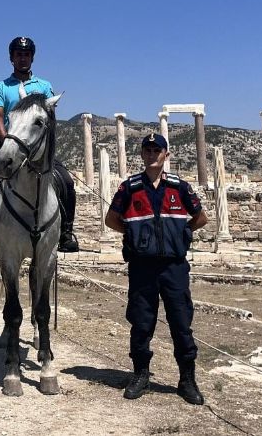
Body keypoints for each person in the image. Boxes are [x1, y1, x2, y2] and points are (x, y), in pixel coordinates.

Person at [103, 133, 208, 406]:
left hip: (174, 267)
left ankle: (187, 379)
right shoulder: (131, 187)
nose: (152, 155)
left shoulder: (179, 187)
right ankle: (140, 374)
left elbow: (201, 217)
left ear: (166, 155)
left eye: (156, 150)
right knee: (141, 323)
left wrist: (181, 233)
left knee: (181, 323)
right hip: (142, 266)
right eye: (147, 150)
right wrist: (134, 234)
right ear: (142, 155)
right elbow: (111, 219)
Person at [0, 36, 79, 253]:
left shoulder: (45, 86)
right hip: (11, 146)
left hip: (38, 148)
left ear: (32, 57)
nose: (22, 58)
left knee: (66, 182)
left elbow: (49, 120)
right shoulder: (1, 86)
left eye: (26, 54)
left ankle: (66, 232)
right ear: (11, 58)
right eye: (18, 54)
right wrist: (7, 142)